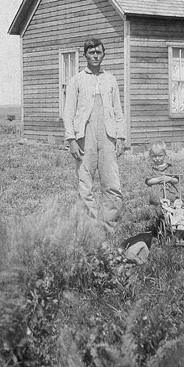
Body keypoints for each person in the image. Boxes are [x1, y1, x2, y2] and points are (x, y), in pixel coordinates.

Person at [63, 38, 127, 234]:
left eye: (98, 52)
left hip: (108, 136)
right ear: (85, 56)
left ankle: (109, 229)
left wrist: (121, 138)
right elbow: (68, 112)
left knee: (112, 184)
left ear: (103, 54)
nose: (95, 56)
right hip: (84, 136)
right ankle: (90, 230)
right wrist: (72, 140)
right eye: (91, 53)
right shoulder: (77, 80)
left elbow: (118, 110)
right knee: (85, 184)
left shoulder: (111, 80)